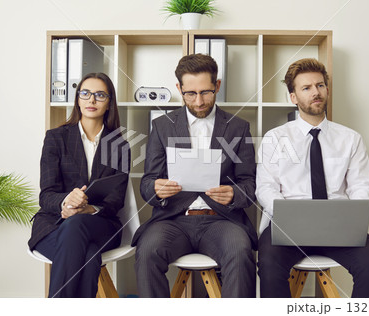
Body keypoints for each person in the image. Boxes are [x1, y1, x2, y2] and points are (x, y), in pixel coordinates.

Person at [256, 58, 369, 298]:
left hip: (339, 226)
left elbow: (362, 187)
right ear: (293, 97)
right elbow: (265, 187)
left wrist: (351, 220)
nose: (316, 92)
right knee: (270, 264)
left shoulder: (350, 139)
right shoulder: (274, 139)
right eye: (306, 88)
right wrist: (290, 216)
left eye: (320, 85)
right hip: (287, 226)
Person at [132, 54, 257, 298]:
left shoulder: (238, 127)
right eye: (190, 93)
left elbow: (249, 184)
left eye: (206, 92)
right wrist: (156, 190)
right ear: (179, 89)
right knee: (147, 251)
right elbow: (147, 182)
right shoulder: (162, 126)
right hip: (173, 220)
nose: (199, 101)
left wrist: (234, 194)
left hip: (220, 221)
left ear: (217, 86)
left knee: (240, 251)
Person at [28, 72, 130, 298]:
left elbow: (115, 200)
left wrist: (89, 209)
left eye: (100, 95)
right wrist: (66, 203)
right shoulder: (56, 138)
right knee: (89, 256)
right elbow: (46, 195)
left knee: (76, 225)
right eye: (85, 93)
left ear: (109, 102)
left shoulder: (119, 146)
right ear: (77, 99)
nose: (91, 100)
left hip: (101, 225)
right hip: (53, 224)